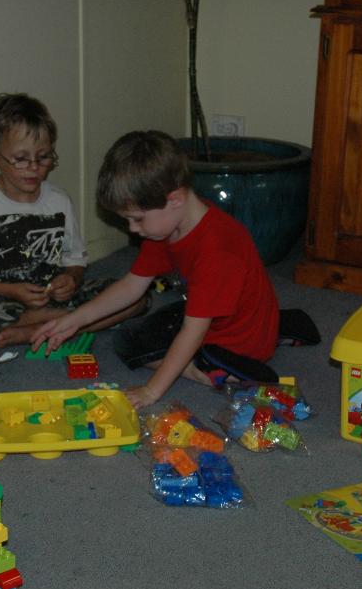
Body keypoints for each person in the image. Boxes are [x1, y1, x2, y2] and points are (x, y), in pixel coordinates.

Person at [31, 130, 281, 410]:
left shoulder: (216, 251)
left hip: (239, 345)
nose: (132, 229)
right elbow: (132, 286)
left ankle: (207, 372)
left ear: (174, 198)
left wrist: (151, 391)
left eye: (136, 219)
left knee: (133, 346)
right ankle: (192, 364)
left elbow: (193, 331)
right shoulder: (169, 225)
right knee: (132, 334)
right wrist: (75, 319)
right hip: (211, 318)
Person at [0, 93, 147, 347]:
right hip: (4, 299)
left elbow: (74, 261)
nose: (34, 167)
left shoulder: (59, 200)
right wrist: (12, 291)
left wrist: (71, 279)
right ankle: (61, 322)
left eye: (43, 157)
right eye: (21, 159)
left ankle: (37, 329)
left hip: (55, 299)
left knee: (136, 297)